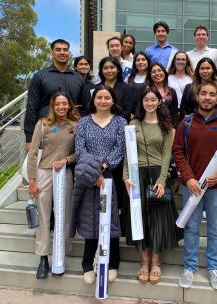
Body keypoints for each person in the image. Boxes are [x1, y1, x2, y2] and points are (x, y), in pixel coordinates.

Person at [173, 81, 217, 290]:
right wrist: (189, 177)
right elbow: (178, 152)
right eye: (204, 93)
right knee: (192, 227)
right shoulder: (186, 122)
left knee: (215, 228)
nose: (208, 97)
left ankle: (213, 267)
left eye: (212, 94)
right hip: (191, 186)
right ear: (197, 96)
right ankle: (190, 267)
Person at [123, 86, 182, 284]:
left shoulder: (166, 125)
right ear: (142, 102)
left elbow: (167, 155)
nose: (149, 103)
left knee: (157, 221)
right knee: (140, 219)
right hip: (136, 175)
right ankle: (144, 262)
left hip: (157, 175)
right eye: (146, 100)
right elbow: (127, 152)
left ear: (159, 102)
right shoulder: (133, 123)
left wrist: (162, 180)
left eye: (153, 100)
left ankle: (156, 263)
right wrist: (125, 176)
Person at [71, 85, 127, 284]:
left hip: (110, 179)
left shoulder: (120, 122)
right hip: (88, 180)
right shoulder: (84, 122)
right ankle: (87, 264)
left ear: (112, 100)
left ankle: (112, 263)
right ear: (93, 100)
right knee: (90, 218)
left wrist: (101, 168)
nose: (103, 101)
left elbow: (120, 150)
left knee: (110, 219)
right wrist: (93, 174)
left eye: (107, 97)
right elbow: (79, 150)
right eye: (99, 97)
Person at [27, 91, 80, 279]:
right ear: (53, 105)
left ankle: (60, 256)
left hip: (64, 174)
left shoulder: (75, 125)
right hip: (44, 173)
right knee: (44, 217)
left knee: (64, 216)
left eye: (64, 103)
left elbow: (78, 153)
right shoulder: (43, 125)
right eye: (57, 104)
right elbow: (33, 153)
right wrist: (32, 181)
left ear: (69, 105)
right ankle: (43, 258)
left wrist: (66, 159)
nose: (61, 107)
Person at [25, 39, 86, 152]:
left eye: (65, 50)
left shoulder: (78, 78)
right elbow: (31, 107)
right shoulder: (40, 77)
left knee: (70, 165)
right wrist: (29, 138)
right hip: (47, 131)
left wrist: (80, 127)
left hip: (71, 133)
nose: (62, 52)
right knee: (44, 166)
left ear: (69, 53)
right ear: (51, 53)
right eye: (58, 50)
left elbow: (85, 107)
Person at [96, 56, 132, 121]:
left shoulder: (126, 88)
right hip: (98, 123)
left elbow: (128, 110)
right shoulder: (96, 88)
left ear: (118, 70)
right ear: (101, 70)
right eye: (105, 68)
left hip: (119, 125)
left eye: (112, 67)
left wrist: (113, 123)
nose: (109, 71)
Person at [147, 62, 178, 129]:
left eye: (159, 70)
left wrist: (173, 129)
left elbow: (175, 114)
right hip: (150, 127)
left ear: (164, 73)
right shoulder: (146, 91)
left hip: (168, 127)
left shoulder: (172, 92)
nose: (157, 73)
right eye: (153, 72)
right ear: (150, 75)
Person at [127, 52, 151, 117]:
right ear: (134, 63)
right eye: (138, 60)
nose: (140, 62)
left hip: (147, 114)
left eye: (143, 59)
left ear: (148, 61)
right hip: (131, 114)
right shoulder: (130, 77)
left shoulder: (152, 77)